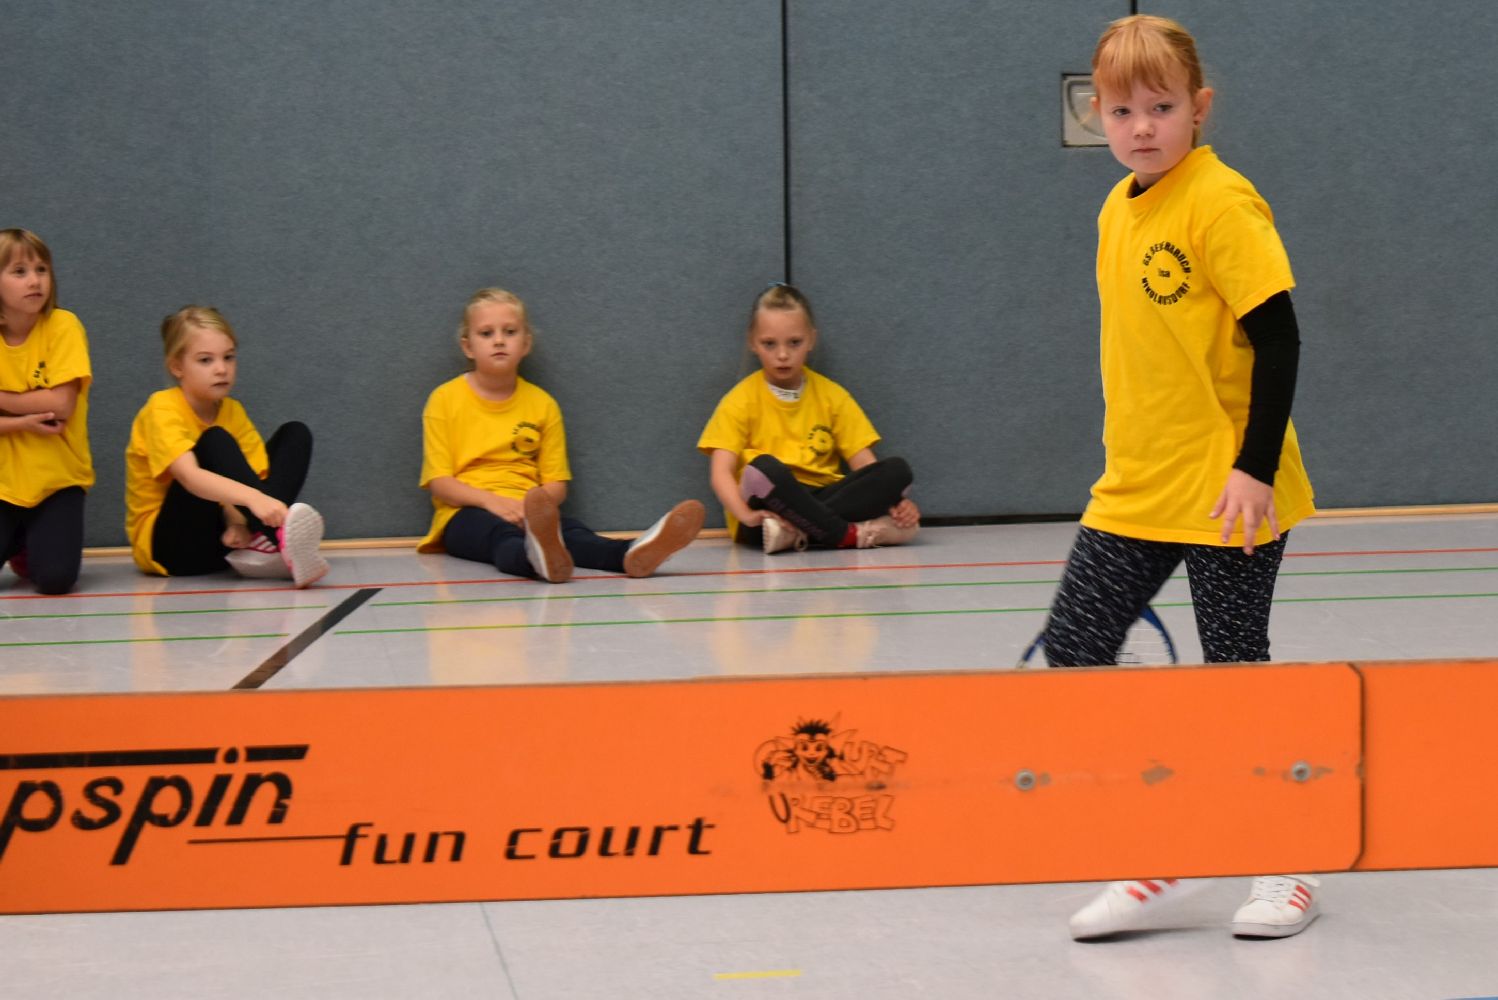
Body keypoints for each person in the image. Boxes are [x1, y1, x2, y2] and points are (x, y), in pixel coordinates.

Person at [1047, 16, 1319, 941]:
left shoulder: (1221, 202)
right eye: (1123, 111)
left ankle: (1286, 861)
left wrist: (1253, 468)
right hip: (1137, 485)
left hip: (1229, 488)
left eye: (1161, 108)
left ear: (1199, 108)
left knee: (1236, 675)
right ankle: (1164, 839)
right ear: (1098, 114)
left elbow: (1279, 340)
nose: (1142, 127)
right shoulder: (1116, 210)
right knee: (1075, 649)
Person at [418, 287, 703, 583]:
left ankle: (631, 553)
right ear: (468, 347)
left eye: (510, 332)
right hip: (465, 514)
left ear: (526, 343)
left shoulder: (543, 404)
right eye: (486, 333)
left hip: (529, 511)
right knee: (500, 536)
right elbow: (440, 482)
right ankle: (534, 559)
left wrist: (532, 508)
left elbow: (556, 484)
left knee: (574, 534)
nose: (499, 340)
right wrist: (492, 502)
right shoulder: (444, 400)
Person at [698, 283, 919, 554]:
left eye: (794, 342)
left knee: (897, 471)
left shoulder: (833, 396)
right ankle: (848, 534)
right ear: (753, 342)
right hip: (767, 512)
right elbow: (720, 473)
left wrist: (894, 503)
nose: (782, 355)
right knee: (765, 469)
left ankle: (798, 533)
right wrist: (746, 516)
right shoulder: (739, 400)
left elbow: (865, 466)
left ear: (811, 340)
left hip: (822, 498)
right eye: (769, 344)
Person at [125, 306, 327, 587]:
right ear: (177, 366)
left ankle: (264, 543)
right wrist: (254, 501)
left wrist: (238, 523)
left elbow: (251, 480)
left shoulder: (232, 411)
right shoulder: (161, 408)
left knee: (296, 434)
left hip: (226, 545)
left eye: (228, 357)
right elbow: (190, 477)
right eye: (205, 360)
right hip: (171, 550)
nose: (221, 369)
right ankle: (279, 539)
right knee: (214, 440)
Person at [0, 229, 93, 594]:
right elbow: (44, 404)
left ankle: (31, 543)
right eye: (19, 271)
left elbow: (61, 404)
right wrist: (23, 421)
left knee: (55, 579)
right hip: (4, 485)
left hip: (58, 481)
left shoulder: (63, 326)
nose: (34, 280)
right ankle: (21, 536)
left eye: (41, 269)